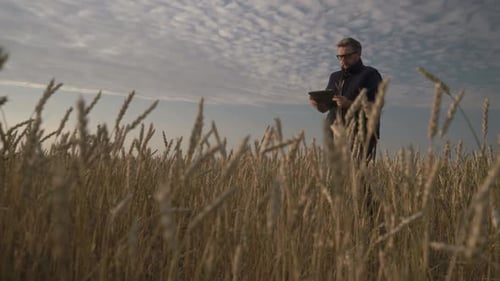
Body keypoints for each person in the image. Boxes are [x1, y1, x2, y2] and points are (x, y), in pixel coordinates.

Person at [310, 37, 382, 161]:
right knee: (333, 178)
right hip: (333, 135)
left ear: (358, 54)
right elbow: (326, 108)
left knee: (358, 178)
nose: (343, 60)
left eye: (347, 56)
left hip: (360, 137)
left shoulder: (370, 74)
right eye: (340, 57)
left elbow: (376, 107)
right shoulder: (334, 77)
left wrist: (349, 103)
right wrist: (318, 104)